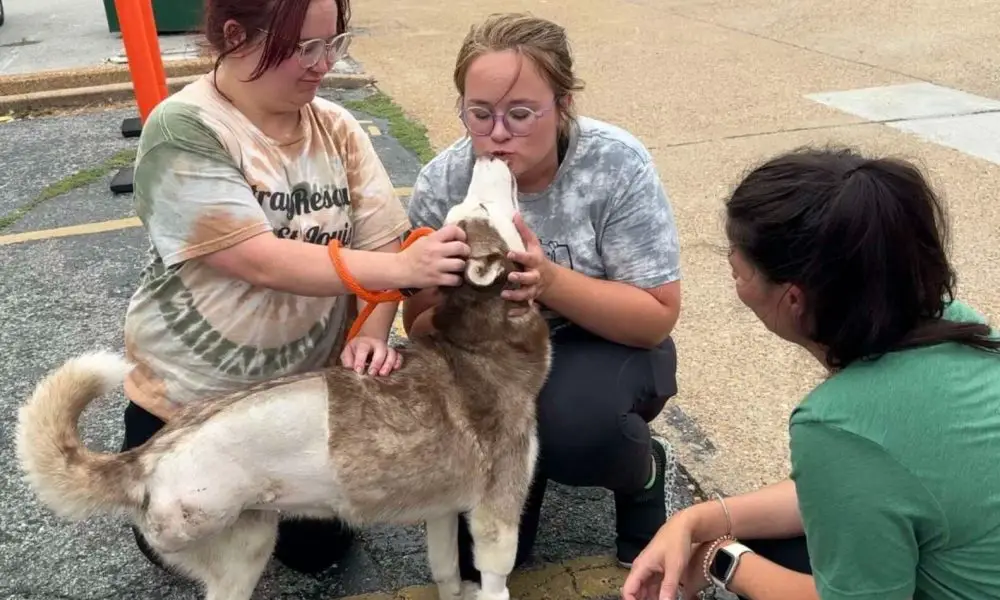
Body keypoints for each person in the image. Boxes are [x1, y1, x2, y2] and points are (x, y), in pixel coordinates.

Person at [118, 0, 480, 576]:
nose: (323, 65)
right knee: (183, 541)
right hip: (193, 399)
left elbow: (383, 239)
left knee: (319, 552)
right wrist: (404, 272)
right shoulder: (183, 127)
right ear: (236, 37)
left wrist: (373, 330)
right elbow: (255, 258)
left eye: (333, 44)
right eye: (303, 48)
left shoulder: (336, 126)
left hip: (300, 405)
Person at [622, 146, 1000, 600]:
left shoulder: (839, 424)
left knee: (764, 550)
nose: (734, 278)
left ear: (794, 299)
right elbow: (863, 486)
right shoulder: (956, 325)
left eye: (738, 270)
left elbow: (858, 470)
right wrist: (695, 519)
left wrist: (722, 558)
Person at [402, 12, 683, 574]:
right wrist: (457, 293)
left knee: (575, 427)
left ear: (564, 104)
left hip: (603, 343)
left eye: (522, 114)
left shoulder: (613, 164)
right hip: (490, 358)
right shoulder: (445, 182)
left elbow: (656, 317)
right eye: (479, 114)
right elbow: (419, 326)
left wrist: (549, 282)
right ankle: (522, 473)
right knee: (480, 563)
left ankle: (643, 472)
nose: (498, 133)